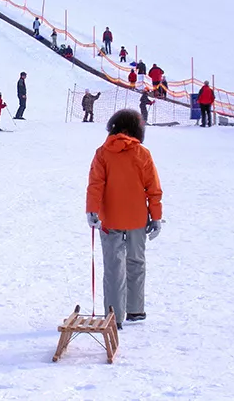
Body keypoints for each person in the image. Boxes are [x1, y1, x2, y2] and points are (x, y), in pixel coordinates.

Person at [86, 109, 163, 329]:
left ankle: (114, 315)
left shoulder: (102, 153)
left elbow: (95, 185)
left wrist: (92, 210)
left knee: (113, 266)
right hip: (138, 219)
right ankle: (136, 309)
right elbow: (153, 189)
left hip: (109, 219)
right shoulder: (143, 153)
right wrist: (156, 217)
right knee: (137, 263)